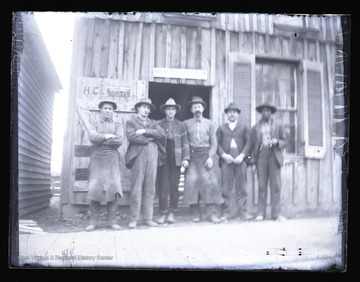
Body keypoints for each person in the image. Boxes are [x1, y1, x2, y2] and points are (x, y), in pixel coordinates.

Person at [125, 98, 166, 229]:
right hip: (138, 155)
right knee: (136, 186)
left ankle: (148, 218)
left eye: (148, 108)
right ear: (138, 108)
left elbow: (161, 133)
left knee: (150, 187)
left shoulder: (153, 123)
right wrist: (150, 139)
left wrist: (145, 132)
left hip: (153, 155)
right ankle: (134, 219)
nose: (147, 110)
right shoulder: (131, 122)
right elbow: (131, 137)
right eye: (144, 107)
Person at [85, 100, 124, 231]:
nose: (107, 110)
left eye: (110, 109)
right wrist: (108, 136)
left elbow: (119, 140)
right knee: (94, 190)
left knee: (114, 190)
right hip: (97, 158)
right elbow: (92, 138)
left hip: (112, 159)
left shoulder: (118, 125)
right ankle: (93, 221)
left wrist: (101, 140)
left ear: (113, 111)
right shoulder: (94, 124)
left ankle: (112, 221)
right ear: (101, 110)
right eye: (105, 108)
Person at [183, 96, 223, 223]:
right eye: (194, 107)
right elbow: (184, 142)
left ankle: (211, 214)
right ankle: (195, 214)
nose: (197, 109)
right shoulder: (186, 124)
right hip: (192, 156)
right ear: (191, 110)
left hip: (206, 156)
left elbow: (214, 142)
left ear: (203, 108)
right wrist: (186, 158)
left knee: (209, 183)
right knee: (192, 183)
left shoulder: (210, 124)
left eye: (199, 107)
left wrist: (211, 157)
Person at [250, 101, 288, 222]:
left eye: (268, 111)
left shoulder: (279, 126)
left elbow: (286, 141)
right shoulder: (255, 128)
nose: (266, 113)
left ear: (271, 113)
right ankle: (260, 213)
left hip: (274, 156)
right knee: (261, 186)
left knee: (275, 185)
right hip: (261, 156)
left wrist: (278, 141)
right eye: (263, 111)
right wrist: (253, 163)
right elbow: (252, 146)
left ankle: (276, 214)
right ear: (261, 113)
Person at [216, 102, 253, 222]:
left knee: (241, 186)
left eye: (234, 112)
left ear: (237, 114)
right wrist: (223, 155)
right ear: (227, 114)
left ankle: (243, 212)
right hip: (226, 161)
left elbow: (249, 143)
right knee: (226, 187)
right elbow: (217, 144)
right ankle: (225, 213)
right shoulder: (221, 128)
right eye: (229, 112)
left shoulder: (244, 128)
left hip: (240, 161)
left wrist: (242, 156)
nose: (232, 114)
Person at [156, 98, 190, 224]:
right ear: (165, 111)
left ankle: (172, 212)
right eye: (168, 109)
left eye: (173, 109)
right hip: (163, 157)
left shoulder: (181, 125)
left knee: (174, 186)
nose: (170, 112)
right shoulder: (159, 124)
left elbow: (185, 143)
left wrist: (186, 158)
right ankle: (162, 212)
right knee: (163, 186)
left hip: (176, 156)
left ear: (175, 111)